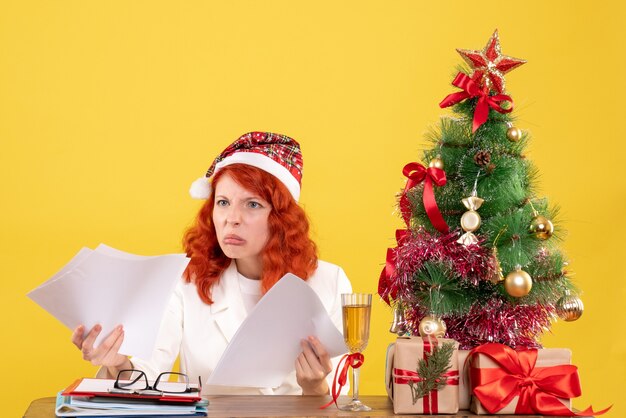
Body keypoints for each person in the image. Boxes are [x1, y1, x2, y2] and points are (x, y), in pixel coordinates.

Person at [71, 131, 352, 395]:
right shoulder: (188, 281)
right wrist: (118, 363)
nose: (232, 218)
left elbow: (345, 397)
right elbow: (148, 373)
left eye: (252, 204)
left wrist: (316, 388)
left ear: (282, 219)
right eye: (223, 202)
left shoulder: (329, 281)